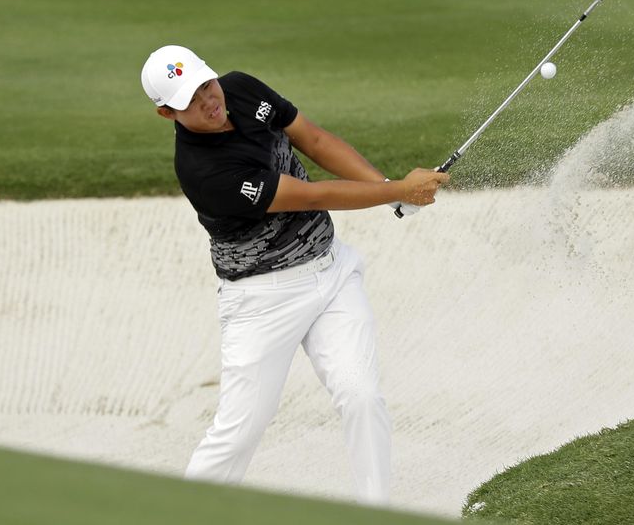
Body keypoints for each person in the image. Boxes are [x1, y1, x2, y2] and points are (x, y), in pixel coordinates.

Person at [140, 45, 448, 504]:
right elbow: (309, 195)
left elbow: (316, 141)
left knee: (361, 396)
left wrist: (386, 190)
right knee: (238, 432)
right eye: (191, 99)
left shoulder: (240, 88)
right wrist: (400, 190)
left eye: (207, 83)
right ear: (167, 113)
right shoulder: (204, 171)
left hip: (332, 271)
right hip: (262, 301)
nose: (209, 99)